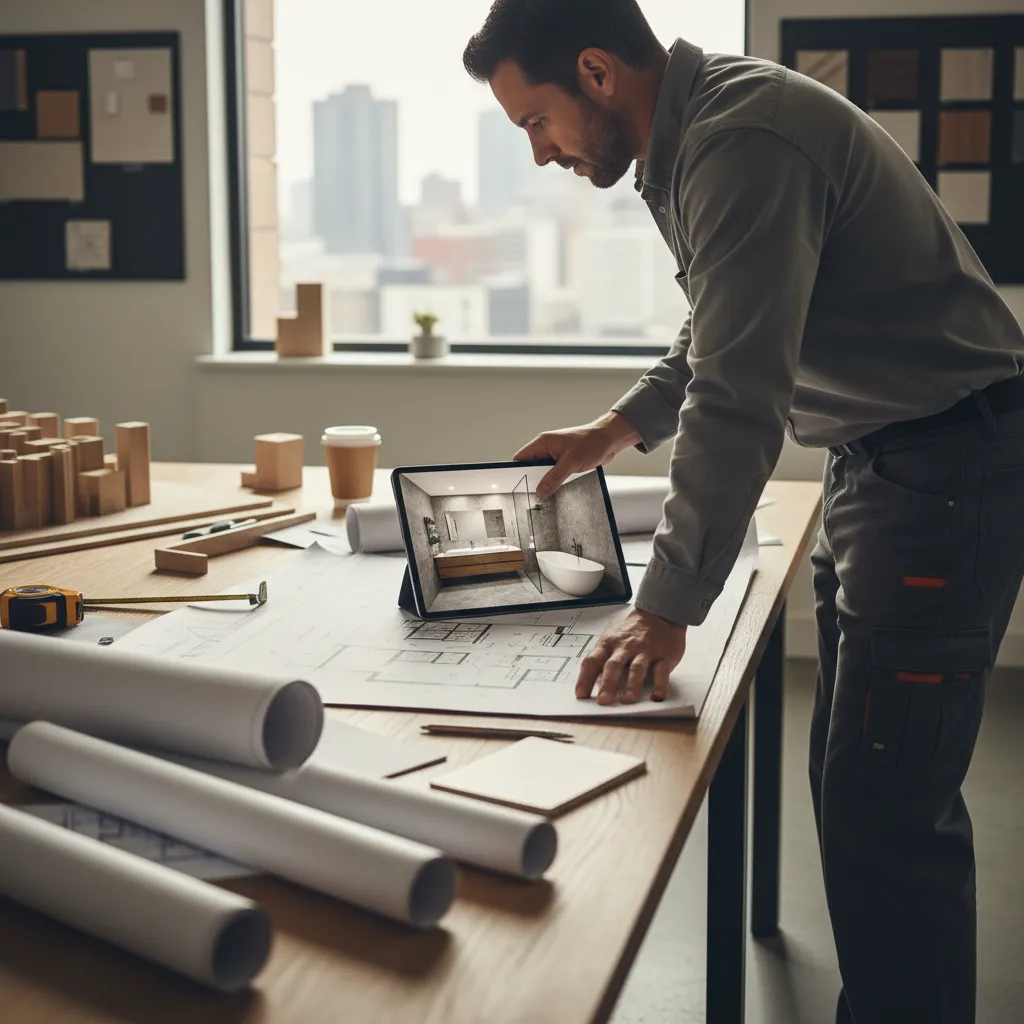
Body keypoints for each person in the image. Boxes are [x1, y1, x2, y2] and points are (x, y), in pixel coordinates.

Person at [462, 2, 1024, 1022]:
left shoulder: (741, 140)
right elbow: (723, 324)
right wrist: (612, 430)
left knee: (887, 816)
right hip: (881, 464)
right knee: (853, 784)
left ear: (594, 71)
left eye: (532, 123)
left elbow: (737, 394)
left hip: (944, 474)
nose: (538, 154)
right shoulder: (694, 135)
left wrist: (666, 604)